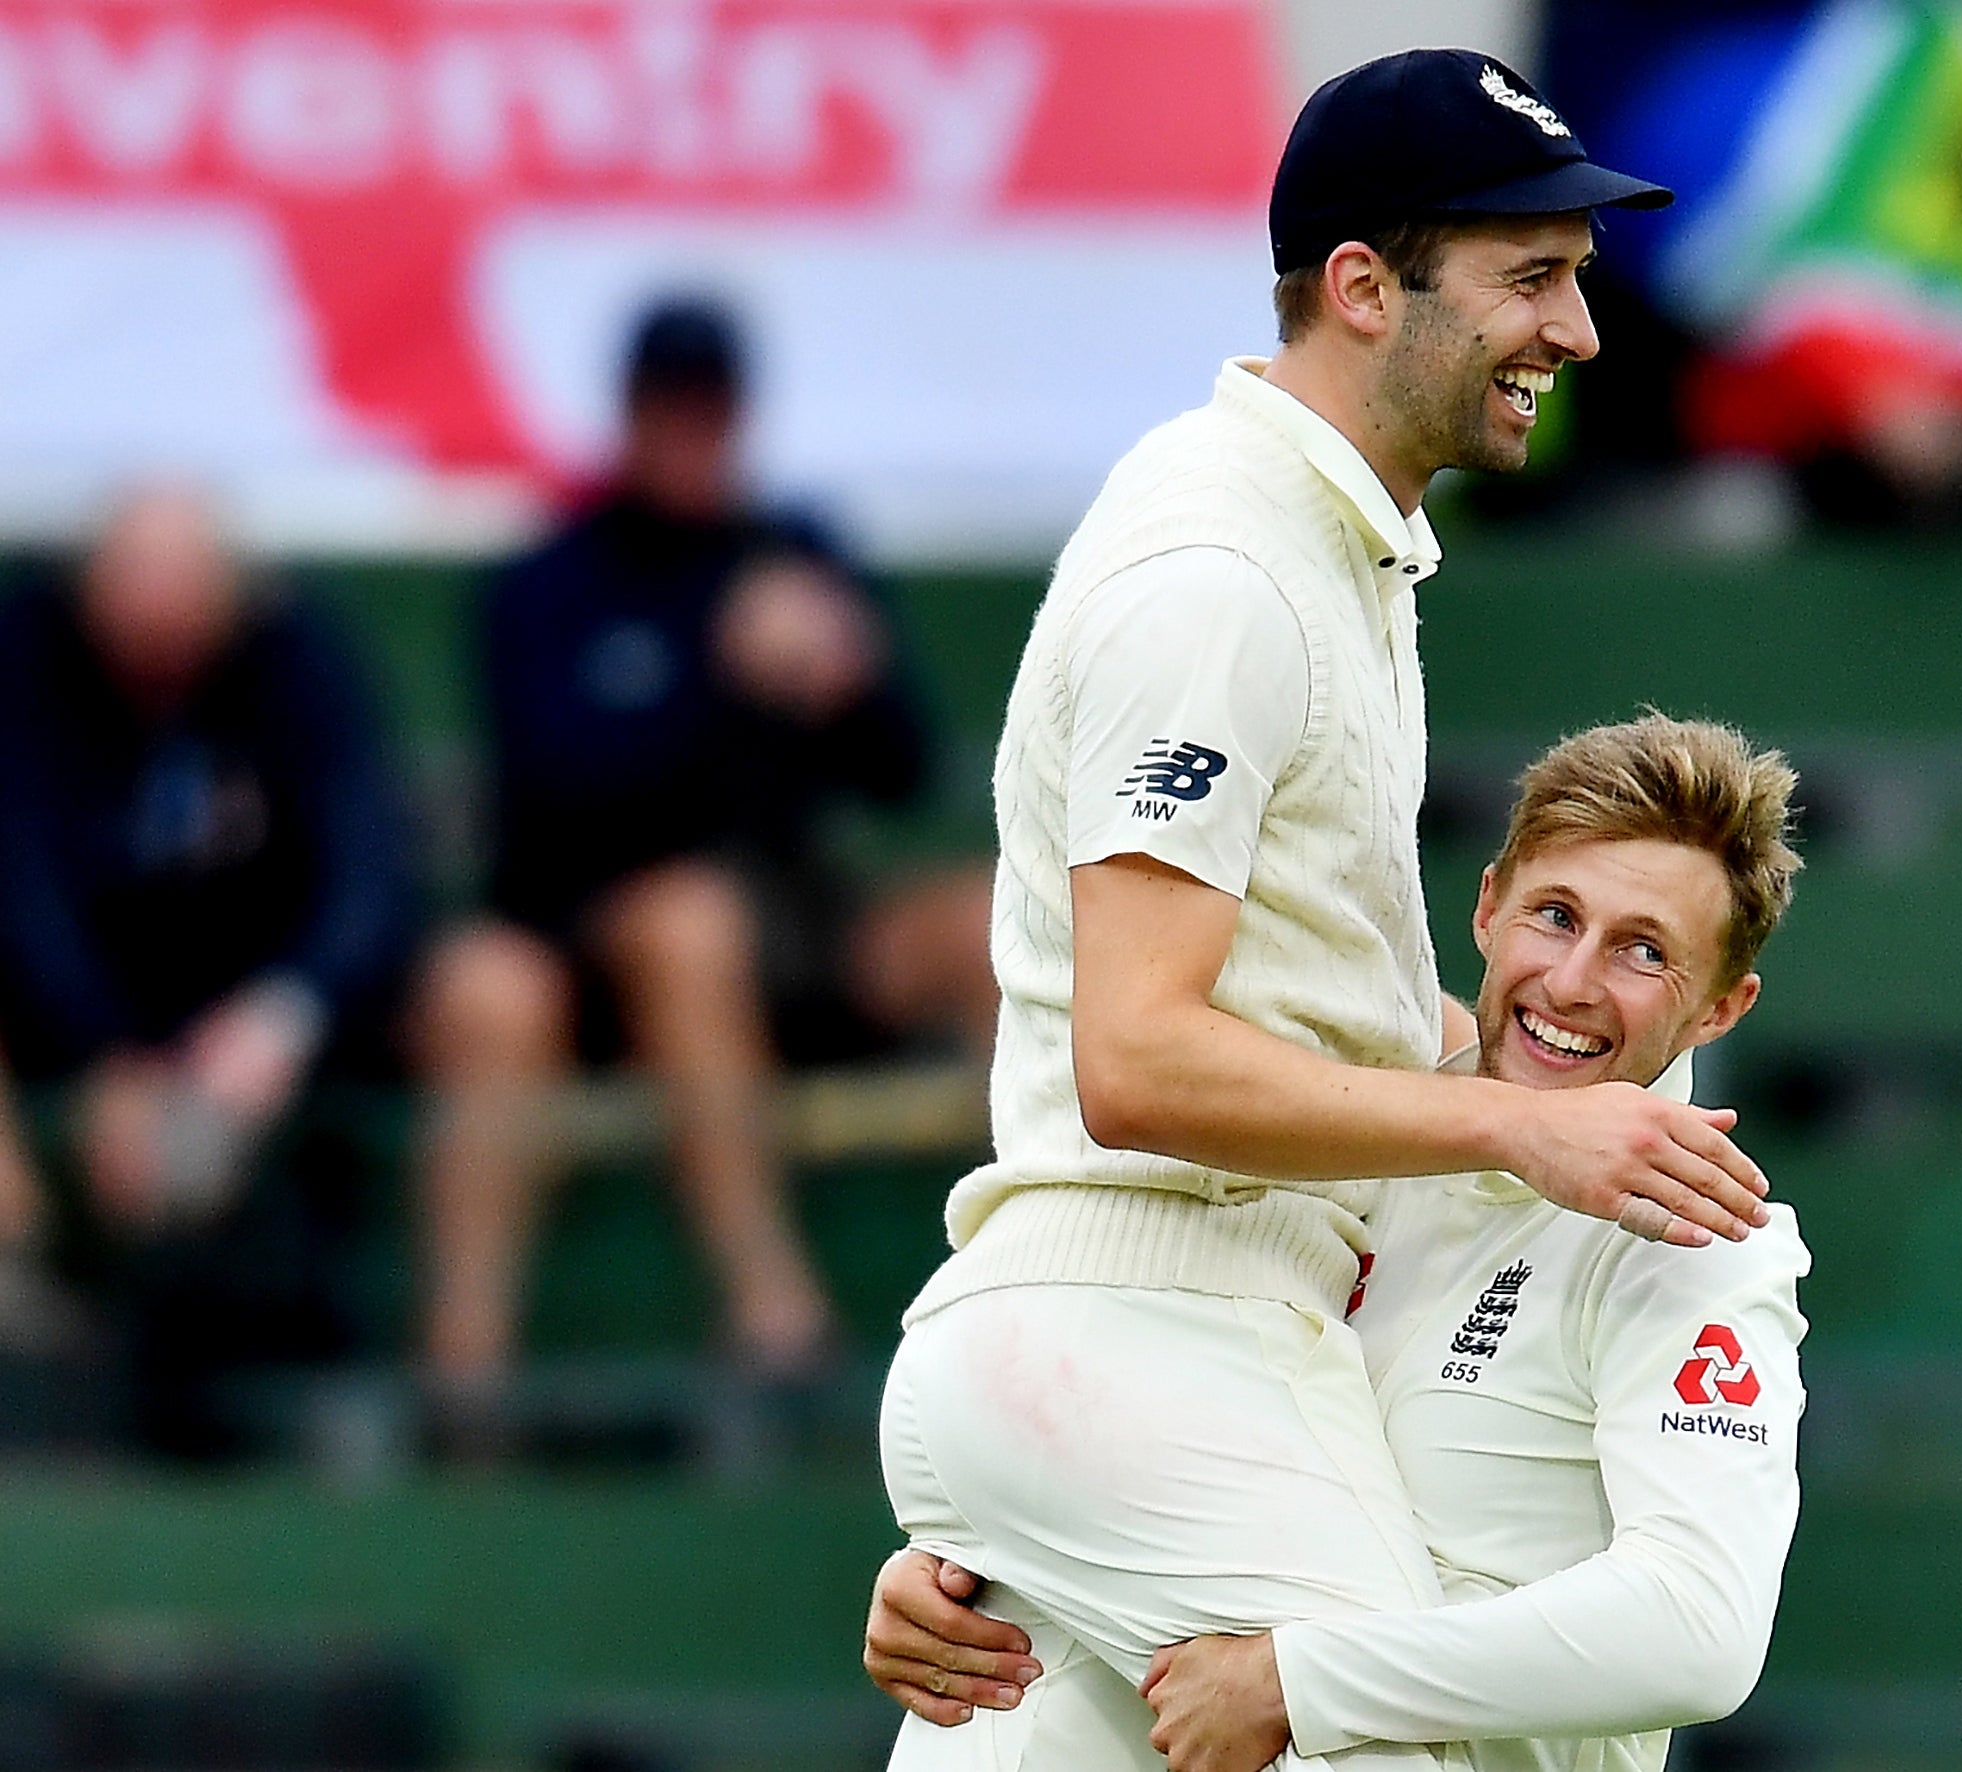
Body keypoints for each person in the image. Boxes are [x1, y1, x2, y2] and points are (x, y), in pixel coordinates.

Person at [878, 50, 1774, 1772]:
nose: (1577, 333)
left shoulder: (1317, 552)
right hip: (1145, 1340)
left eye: (1575, 281)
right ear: (1361, 289)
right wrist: (1513, 1130)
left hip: (1129, 1365)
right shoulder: (1223, 570)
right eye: (1532, 277)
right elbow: (1135, 1062)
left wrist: (1008, 1516)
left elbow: (1328, 1022)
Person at [867, 715, 1809, 1772]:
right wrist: (982, 1554)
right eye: (1555, 915)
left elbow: (1698, 1626)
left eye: (1643, 950)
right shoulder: (1351, 1134)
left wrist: (1296, 1679)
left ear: (1722, 1008)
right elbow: (1179, 1412)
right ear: (1487, 905)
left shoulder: (1698, 1242)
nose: (1574, 981)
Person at [410, 297, 995, 1401]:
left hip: (798, 921)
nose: (690, 430)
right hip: (606, 947)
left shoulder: (798, 552)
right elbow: (554, 797)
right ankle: (771, 1311)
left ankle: (1039, 1289)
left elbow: (902, 767)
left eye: (710, 407)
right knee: (689, 923)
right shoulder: (548, 584)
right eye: (667, 406)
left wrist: (849, 674)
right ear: (626, 414)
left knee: (990, 916)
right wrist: (716, 674)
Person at [0, 484, 415, 1453]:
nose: (156, 623)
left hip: (275, 1030)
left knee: (480, 993)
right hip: (73, 1032)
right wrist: (108, 1053)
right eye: (132, 589)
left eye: (181, 591)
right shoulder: (29, 659)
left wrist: (282, 1015)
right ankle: (21, 1305)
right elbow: (18, 882)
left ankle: (440, 1394)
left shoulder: (299, 657)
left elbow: (372, 874)